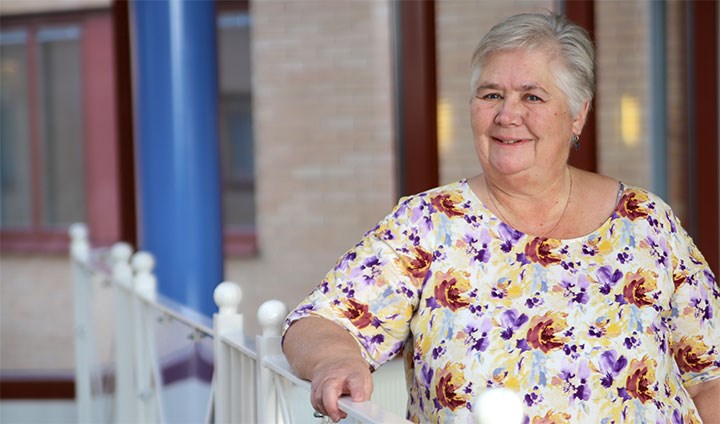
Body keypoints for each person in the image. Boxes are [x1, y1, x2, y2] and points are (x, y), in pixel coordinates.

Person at [282, 12, 720, 423]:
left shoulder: (646, 221)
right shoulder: (430, 223)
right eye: (492, 95)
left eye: (532, 96)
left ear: (577, 115)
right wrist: (335, 360)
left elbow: (711, 378)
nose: (508, 115)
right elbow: (320, 321)